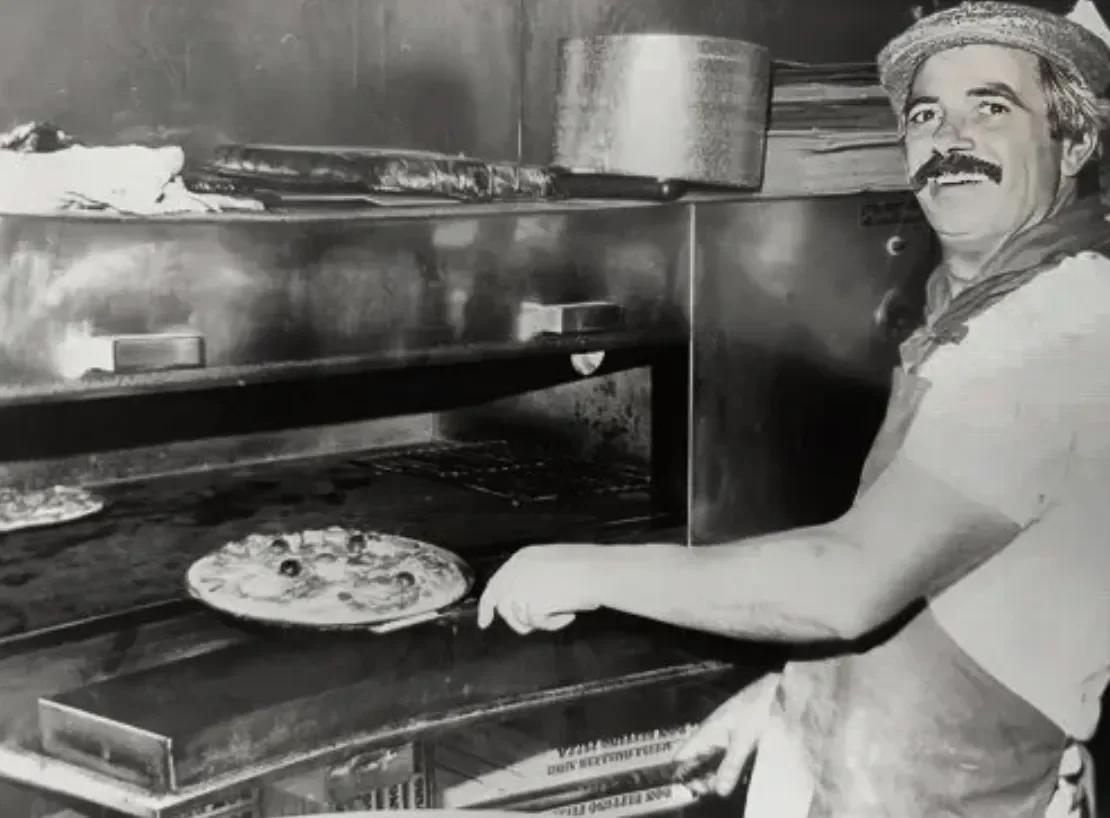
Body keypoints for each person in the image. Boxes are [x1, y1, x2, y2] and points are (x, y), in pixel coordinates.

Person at [477, 3, 1110, 816]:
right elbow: (961, 580)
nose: (949, 140)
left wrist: (580, 566)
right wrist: (802, 699)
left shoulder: (1060, 329)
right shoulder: (986, 311)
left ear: (1076, 142)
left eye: (992, 107)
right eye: (925, 115)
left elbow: (849, 581)